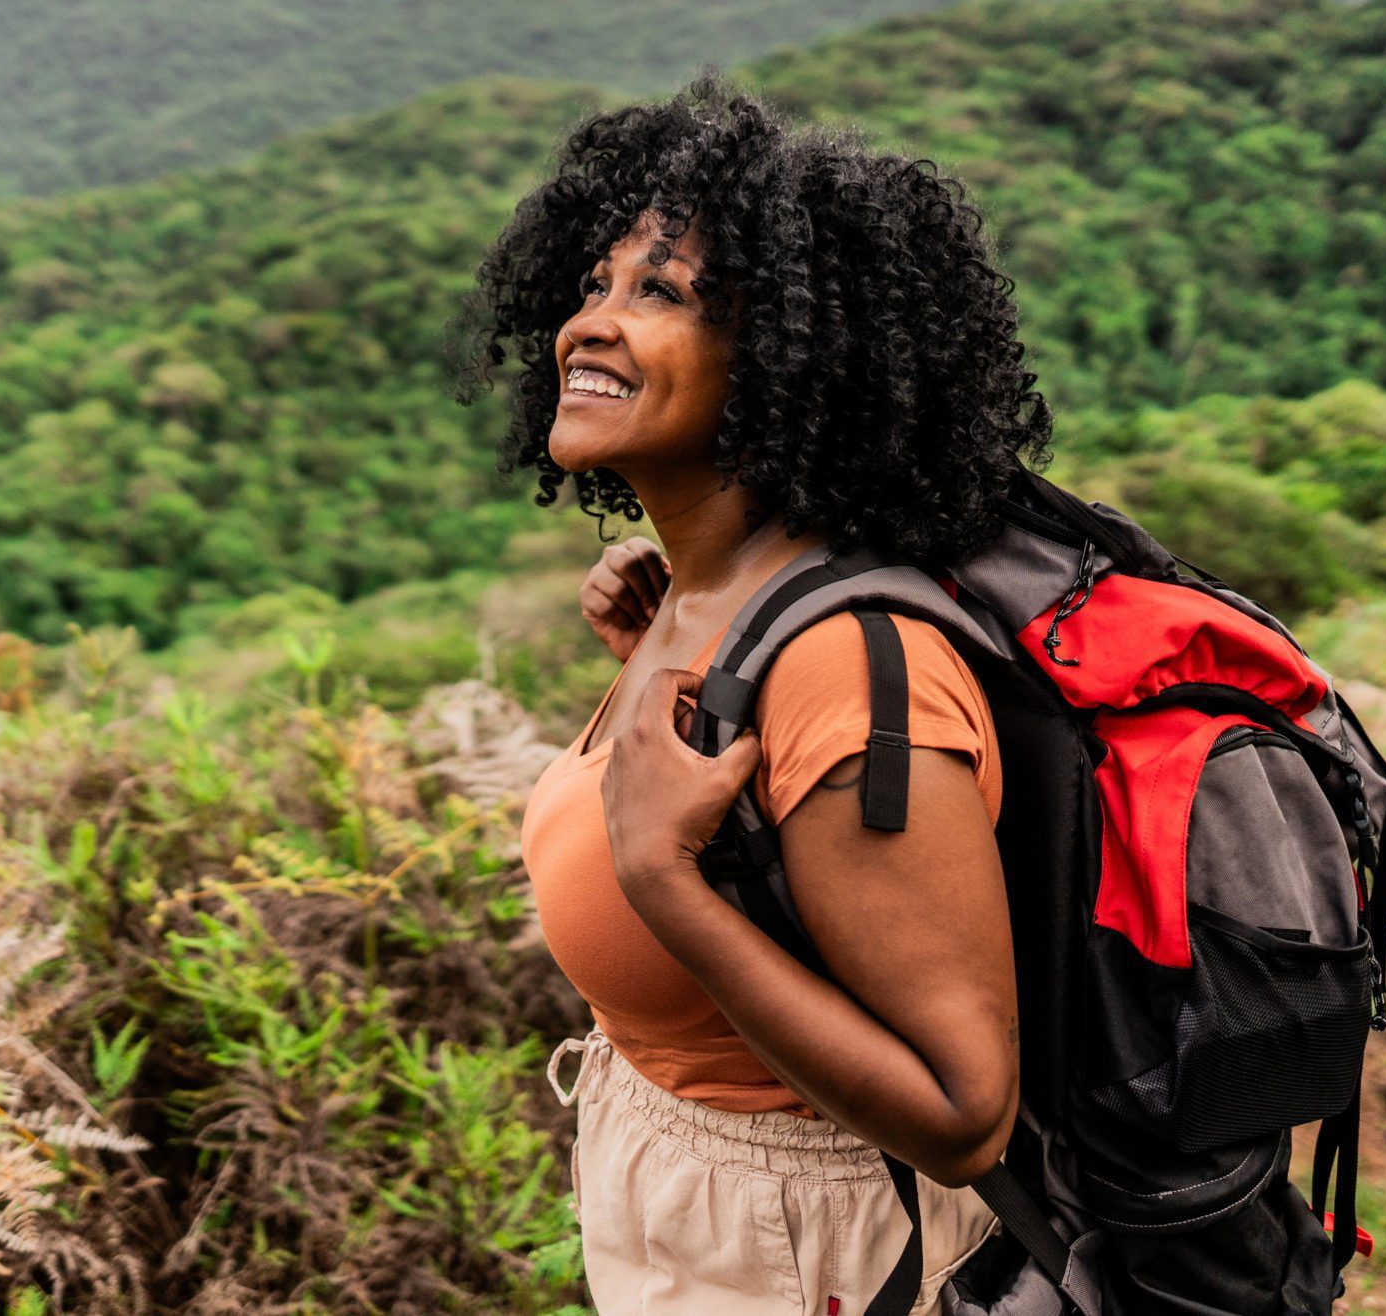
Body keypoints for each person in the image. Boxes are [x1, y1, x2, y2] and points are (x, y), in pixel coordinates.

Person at [447, 70, 1056, 1313]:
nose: (590, 324)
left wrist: (667, 877)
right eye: (594, 284)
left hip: (816, 1259)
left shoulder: (851, 664)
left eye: (660, 294)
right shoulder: (709, 603)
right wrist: (670, 659)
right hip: (698, 1227)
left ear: (783, 359)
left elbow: (962, 1115)